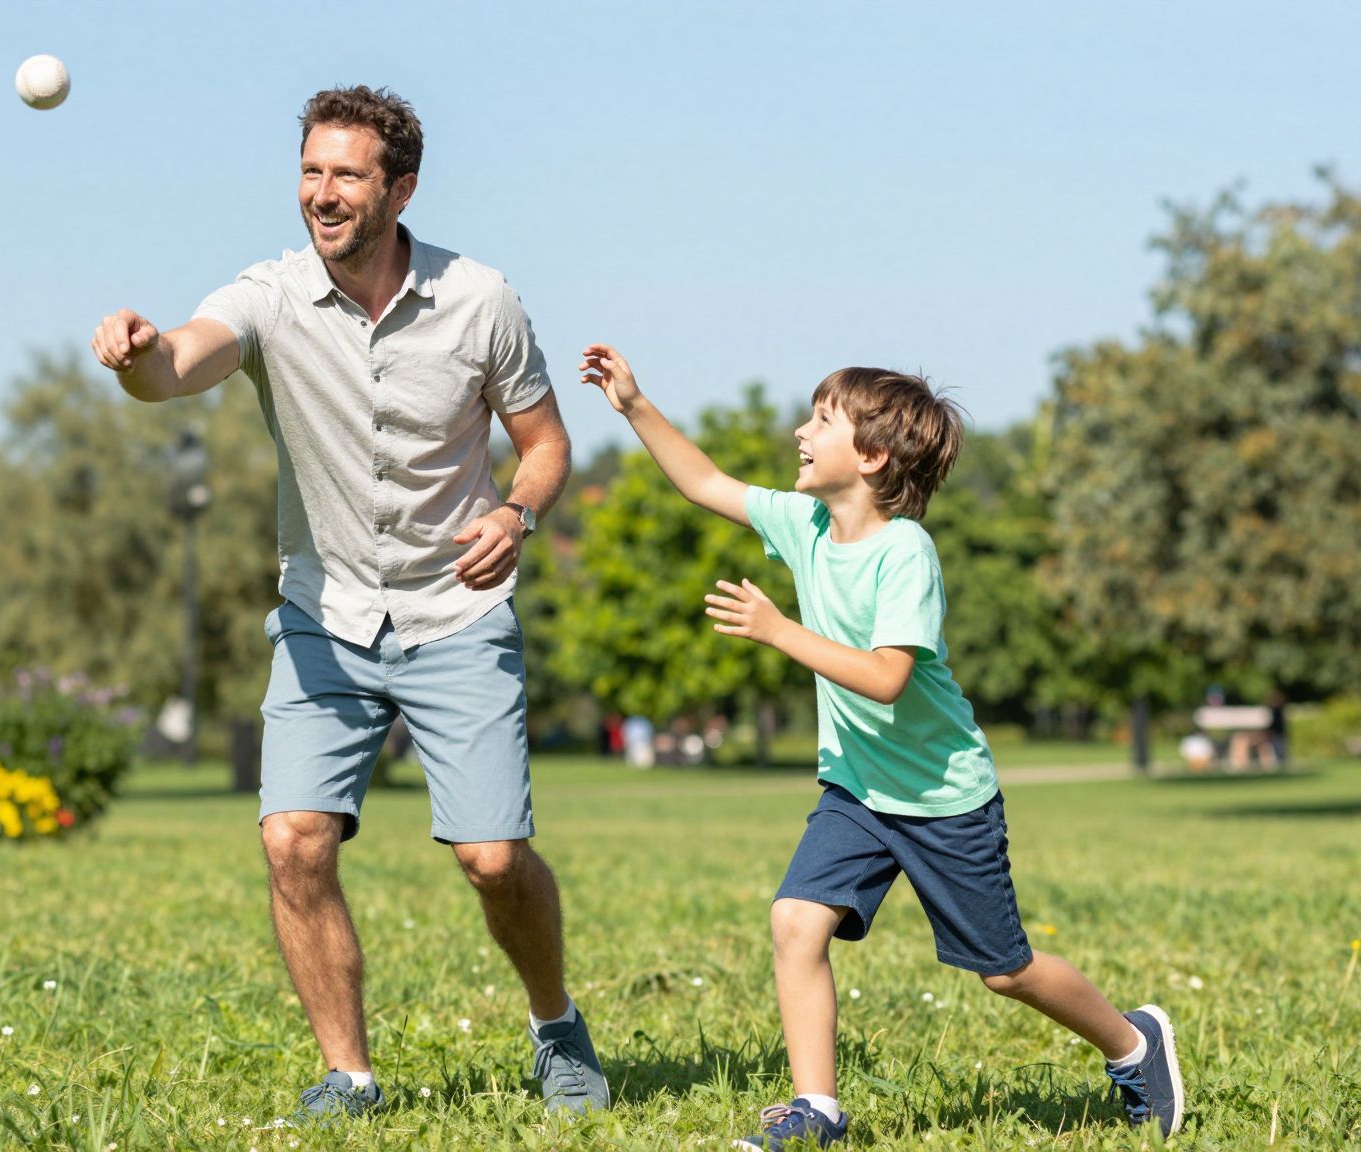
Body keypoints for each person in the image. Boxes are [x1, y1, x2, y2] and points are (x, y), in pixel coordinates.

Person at [93, 86, 606, 1123]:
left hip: (454, 614)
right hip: (324, 618)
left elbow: (545, 444)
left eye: (346, 175)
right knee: (292, 840)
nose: (321, 196)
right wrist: (141, 357)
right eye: (310, 173)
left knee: (491, 857)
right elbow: (184, 360)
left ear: (399, 188)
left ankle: (555, 1027)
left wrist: (514, 515)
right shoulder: (270, 295)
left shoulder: (479, 301)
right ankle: (349, 1074)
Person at [578, 345, 1184, 1145]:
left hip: (943, 798)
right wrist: (634, 404)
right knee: (796, 921)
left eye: (819, 419)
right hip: (858, 791)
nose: (799, 430)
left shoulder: (906, 554)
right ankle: (816, 1110)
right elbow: (705, 483)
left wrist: (780, 631)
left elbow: (888, 678)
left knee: (1005, 970)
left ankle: (1135, 1044)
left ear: (870, 456)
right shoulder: (806, 524)